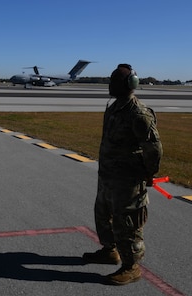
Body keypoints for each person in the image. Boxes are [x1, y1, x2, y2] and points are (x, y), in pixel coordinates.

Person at [82, 64, 163, 285]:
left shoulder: (139, 114)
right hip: (108, 178)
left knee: (127, 223)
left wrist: (147, 173)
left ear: (129, 85)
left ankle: (132, 267)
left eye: (114, 81)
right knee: (103, 215)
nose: (110, 84)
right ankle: (110, 251)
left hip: (128, 182)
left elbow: (154, 149)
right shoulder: (114, 107)